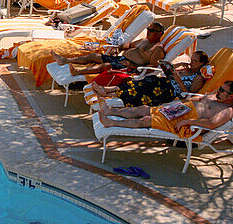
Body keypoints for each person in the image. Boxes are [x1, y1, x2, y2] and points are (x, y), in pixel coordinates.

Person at [98, 81, 233, 138]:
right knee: (144, 109)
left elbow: (211, 123)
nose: (219, 91)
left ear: (231, 96)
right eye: (220, 88)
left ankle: (111, 123)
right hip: (180, 110)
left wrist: (188, 122)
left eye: (222, 90)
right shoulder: (215, 96)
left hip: (187, 124)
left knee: (146, 120)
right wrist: (177, 104)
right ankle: (110, 111)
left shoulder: (227, 110)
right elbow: (197, 99)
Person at [92, 50, 213, 107]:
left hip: (169, 92)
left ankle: (112, 95)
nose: (191, 62)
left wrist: (178, 78)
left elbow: (188, 95)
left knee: (144, 88)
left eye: (194, 61)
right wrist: (175, 68)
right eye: (191, 59)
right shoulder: (188, 69)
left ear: (202, 64)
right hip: (164, 83)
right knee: (142, 81)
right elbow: (170, 75)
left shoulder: (198, 78)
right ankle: (107, 90)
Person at [52, 22, 166, 78]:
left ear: (159, 34)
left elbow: (152, 68)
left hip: (131, 67)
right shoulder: (143, 40)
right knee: (93, 56)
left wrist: (132, 66)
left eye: (151, 30)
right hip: (122, 58)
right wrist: (117, 48)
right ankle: (64, 60)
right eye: (148, 29)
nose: (148, 31)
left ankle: (78, 71)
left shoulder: (157, 49)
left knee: (106, 66)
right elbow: (127, 45)